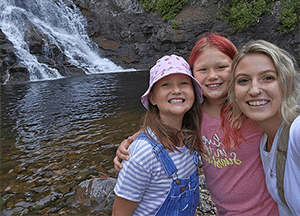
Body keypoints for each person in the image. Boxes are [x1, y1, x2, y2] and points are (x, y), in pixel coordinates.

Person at [114, 33, 279, 215]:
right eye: (203, 70)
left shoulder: (250, 108)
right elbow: (162, 126)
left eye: (222, 67)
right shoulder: (193, 115)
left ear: (236, 69)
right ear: (194, 76)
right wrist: (130, 142)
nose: (213, 76)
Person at [112, 54, 205, 216]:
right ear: (153, 98)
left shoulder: (190, 138)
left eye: (184, 83)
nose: (176, 90)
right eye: (166, 85)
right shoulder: (143, 154)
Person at [225, 39, 300, 215]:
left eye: (268, 78)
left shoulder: (296, 132)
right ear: (234, 93)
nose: (254, 90)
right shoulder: (265, 142)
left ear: (286, 83)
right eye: (244, 80)